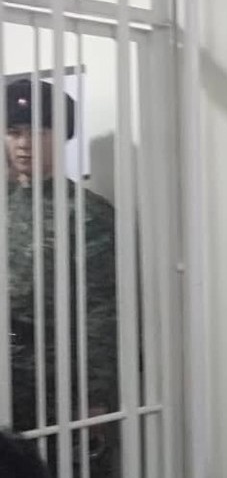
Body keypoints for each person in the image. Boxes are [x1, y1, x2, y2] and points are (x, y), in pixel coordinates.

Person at [4, 78, 119, 477]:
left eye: (38, 131)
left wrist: (94, 399)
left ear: (62, 135)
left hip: (57, 385)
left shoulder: (85, 215)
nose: (23, 144)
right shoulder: (4, 204)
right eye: (14, 132)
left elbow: (102, 312)